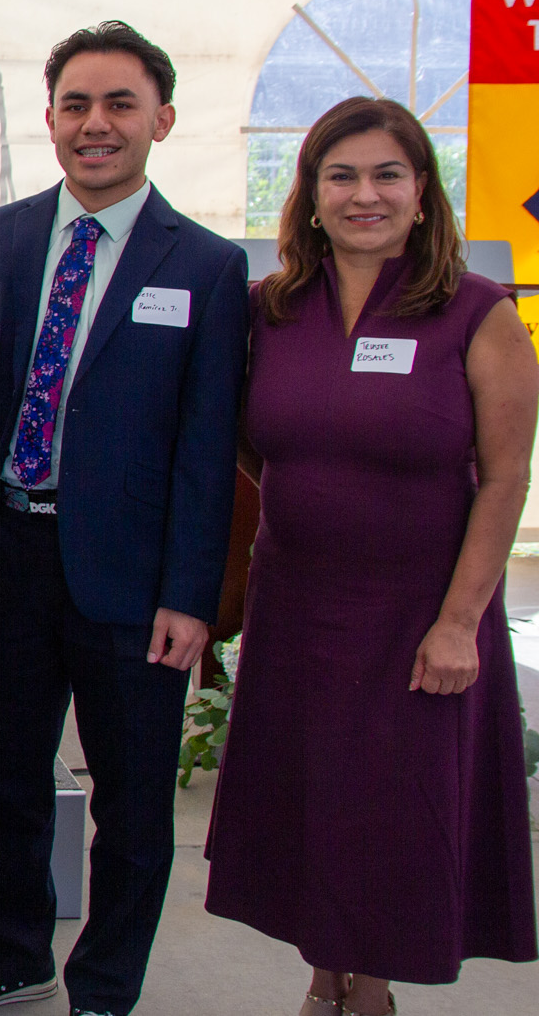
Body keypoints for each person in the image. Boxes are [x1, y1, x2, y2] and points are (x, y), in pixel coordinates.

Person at [0, 23, 248, 1016]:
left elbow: (205, 452)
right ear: (50, 117)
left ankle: (103, 985)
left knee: (133, 801)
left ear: (161, 120)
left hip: (134, 578)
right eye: (74, 105)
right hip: (8, 551)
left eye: (117, 105)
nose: (93, 125)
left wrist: (190, 596)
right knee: (8, 782)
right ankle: (12, 955)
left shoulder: (206, 267)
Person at [206, 97, 539, 1015]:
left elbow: (506, 479)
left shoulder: (479, 315)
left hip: (417, 616)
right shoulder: (267, 311)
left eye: (388, 174)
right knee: (312, 802)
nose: (365, 194)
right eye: (340, 175)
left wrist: (461, 622)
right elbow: (252, 441)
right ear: (309, 195)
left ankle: (373, 992)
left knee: (393, 814)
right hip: (297, 608)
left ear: (424, 194)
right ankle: (322, 982)